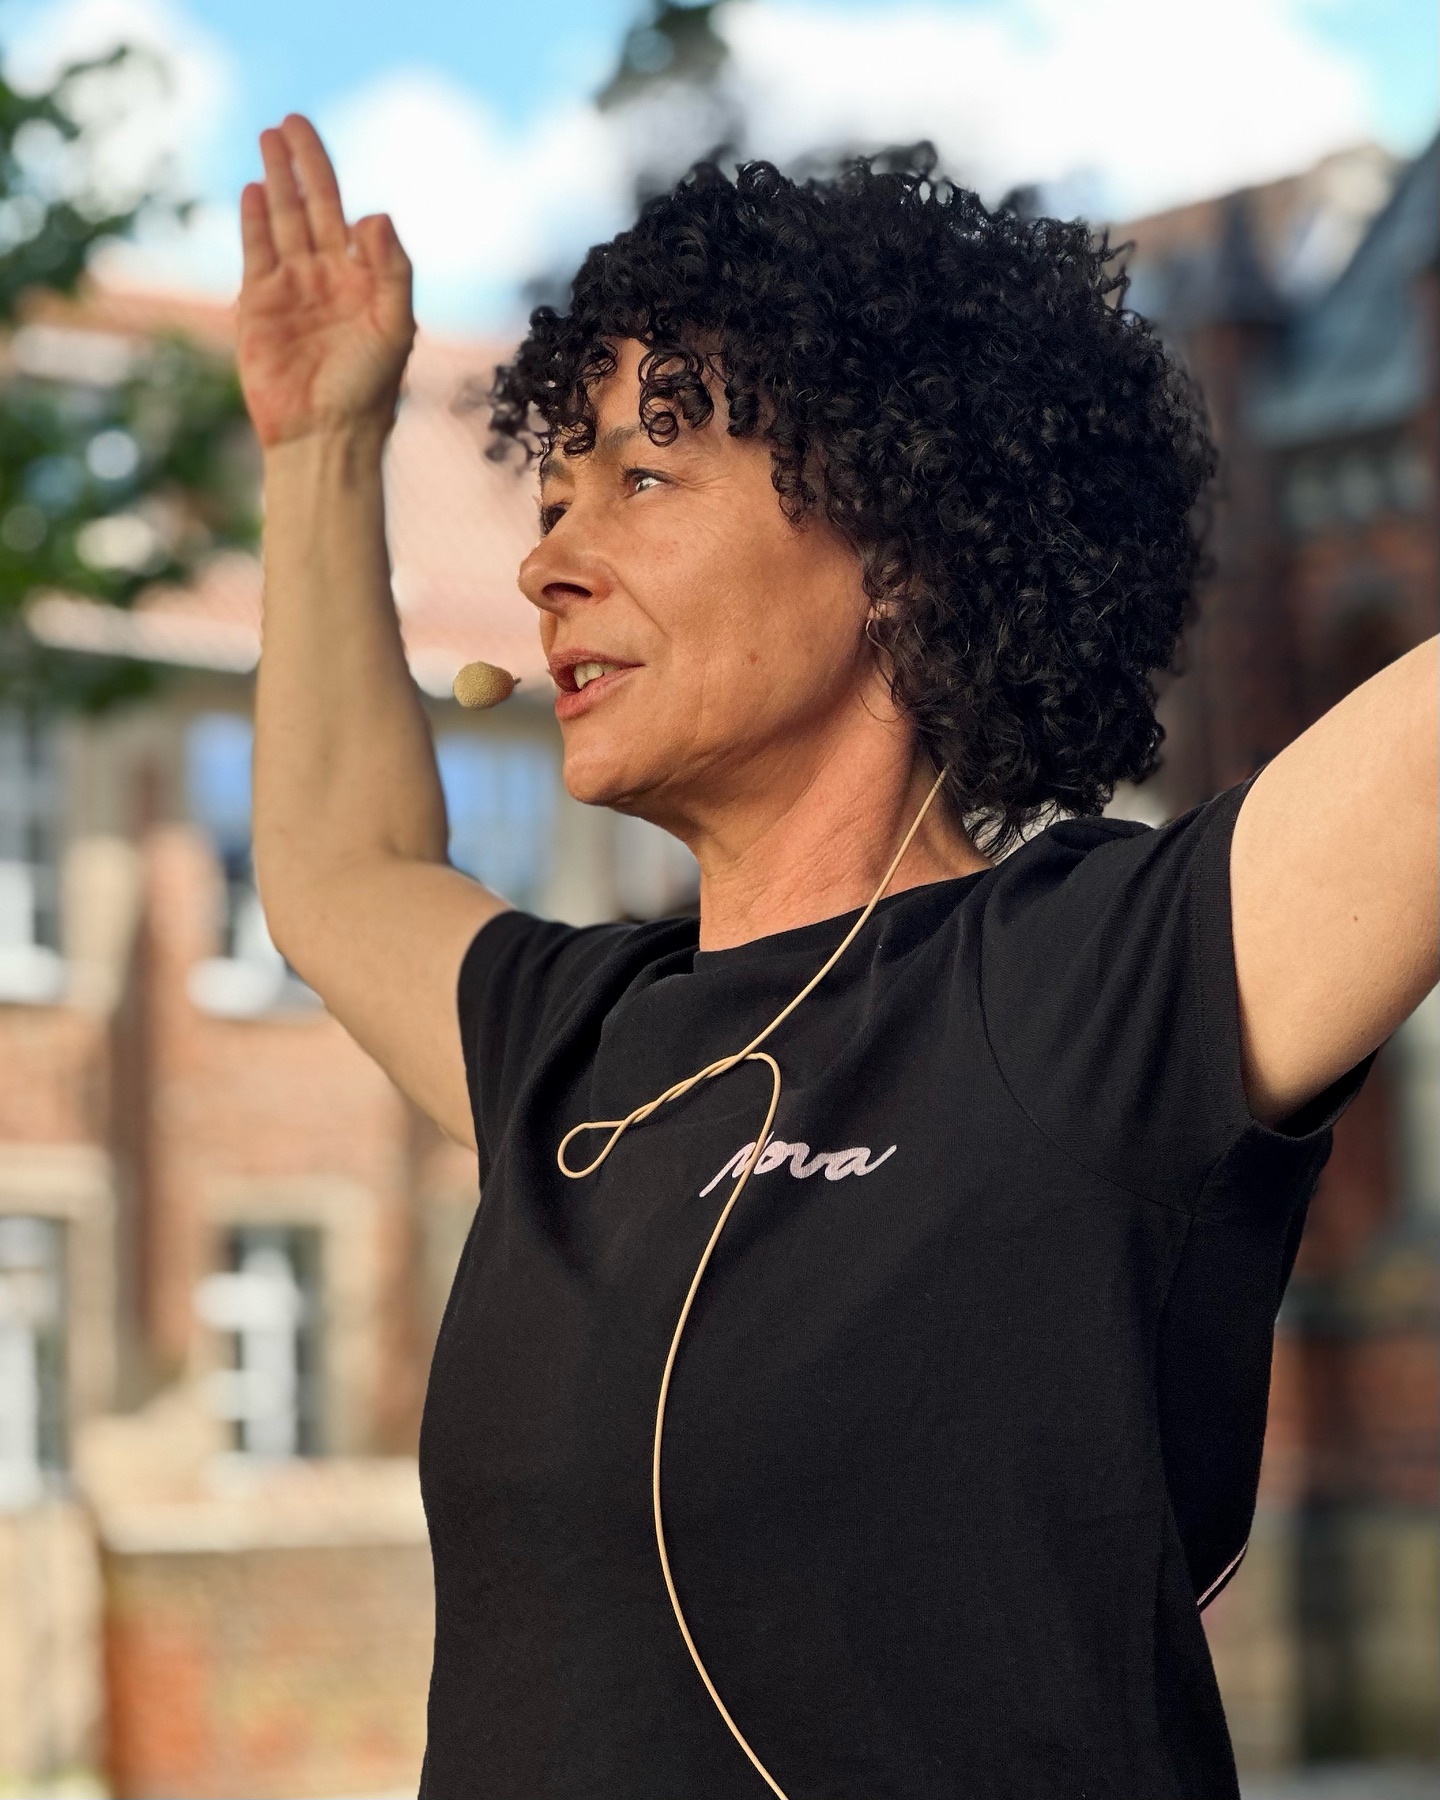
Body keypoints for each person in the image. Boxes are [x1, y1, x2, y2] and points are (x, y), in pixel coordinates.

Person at [237, 113, 1438, 1800]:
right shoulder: (567, 1048)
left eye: (643, 477)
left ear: (904, 544)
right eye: (554, 490)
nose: (546, 561)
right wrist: (316, 449)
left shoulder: (1099, 987)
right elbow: (337, 867)